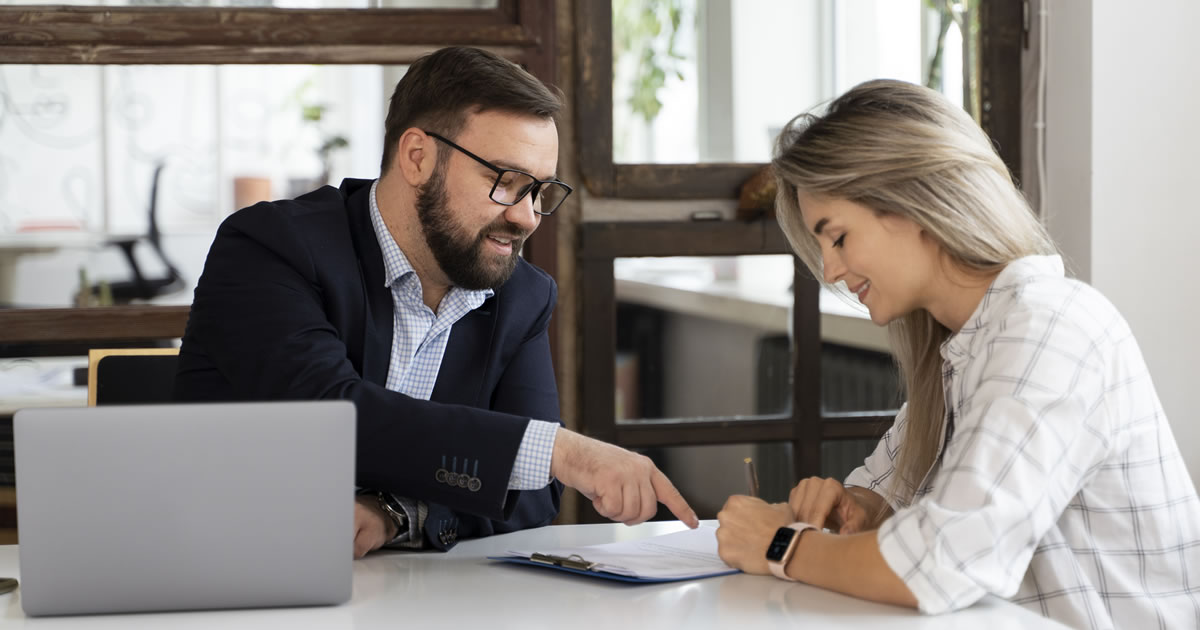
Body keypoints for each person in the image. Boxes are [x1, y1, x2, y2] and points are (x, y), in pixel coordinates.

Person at [174, 46, 698, 558]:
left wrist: (398, 513)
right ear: (418, 157)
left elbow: (536, 495)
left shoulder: (522, 295)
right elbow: (327, 415)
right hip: (227, 568)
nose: (527, 217)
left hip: (413, 599)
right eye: (505, 181)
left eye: (539, 191)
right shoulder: (271, 246)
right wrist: (557, 449)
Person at [715, 79, 1200, 629]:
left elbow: (941, 564)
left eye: (839, 238)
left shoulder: (1047, 332)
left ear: (910, 204)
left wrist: (782, 545)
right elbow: (881, 493)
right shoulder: (960, 352)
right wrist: (856, 509)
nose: (829, 271)